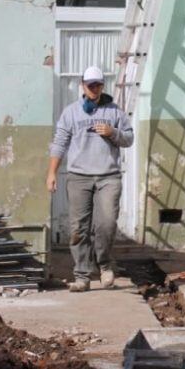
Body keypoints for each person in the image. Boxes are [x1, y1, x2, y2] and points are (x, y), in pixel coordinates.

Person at [47, 66, 134, 293]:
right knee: (79, 229)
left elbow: (129, 139)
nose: (95, 89)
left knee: (106, 224)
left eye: (98, 85)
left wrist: (112, 132)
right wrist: (51, 173)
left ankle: (104, 265)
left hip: (108, 177)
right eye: (90, 85)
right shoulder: (71, 113)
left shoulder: (115, 112)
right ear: (82, 86)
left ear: (103, 86)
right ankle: (82, 275)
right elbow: (59, 143)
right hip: (79, 178)